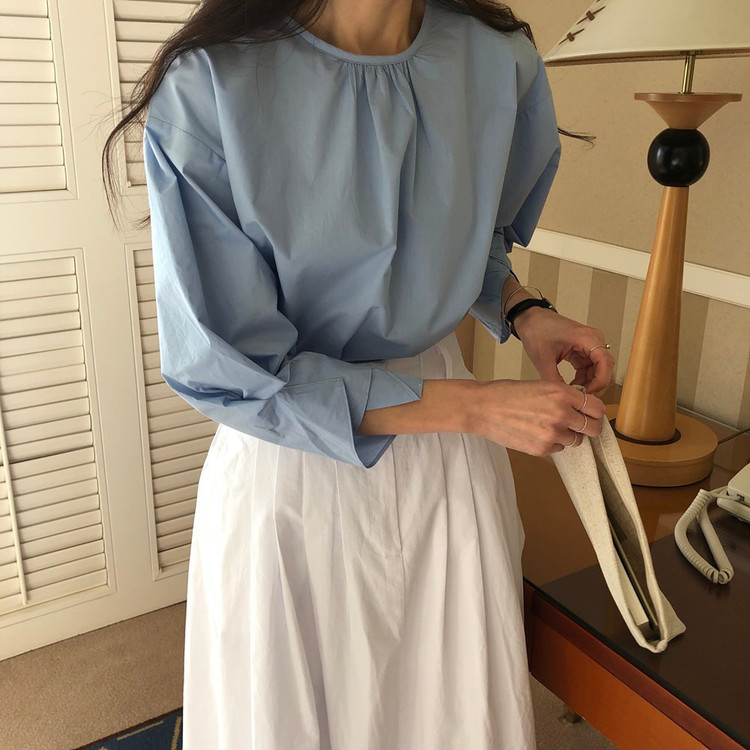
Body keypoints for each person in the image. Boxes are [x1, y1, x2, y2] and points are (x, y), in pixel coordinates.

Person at [104, 0, 616, 747]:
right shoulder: (214, 82)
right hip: (293, 470)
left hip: (449, 470)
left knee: (449, 713)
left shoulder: (497, 59)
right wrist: (476, 409)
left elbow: (469, 234)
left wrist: (525, 310)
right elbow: (232, 368)